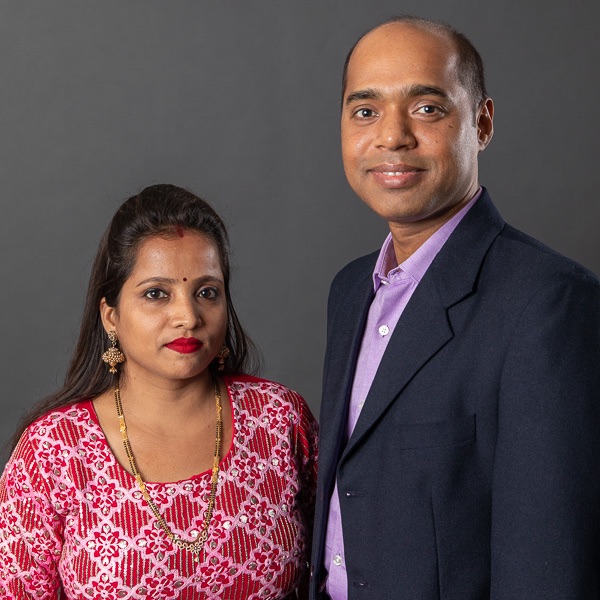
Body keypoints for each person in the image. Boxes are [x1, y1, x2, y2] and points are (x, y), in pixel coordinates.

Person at [310, 15, 600, 599]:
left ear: (482, 122)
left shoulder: (549, 304)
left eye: (426, 108)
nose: (392, 136)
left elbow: (549, 562)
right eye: (365, 110)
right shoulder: (350, 289)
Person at [0, 184, 317, 599]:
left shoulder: (278, 418)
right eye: (156, 294)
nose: (188, 316)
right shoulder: (54, 451)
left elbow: (346, 565)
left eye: (207, 292)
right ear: (111, 316)